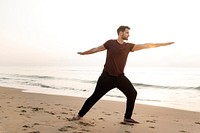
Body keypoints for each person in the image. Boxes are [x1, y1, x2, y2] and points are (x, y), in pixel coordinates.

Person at [73, 25, 174, 124]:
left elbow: (146, 45)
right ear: (121, 33)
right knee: (94, 97)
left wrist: (164, 44)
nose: (128, 35)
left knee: (132, 93)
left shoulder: (129, 46)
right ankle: (79, 115)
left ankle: (127, 118)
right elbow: (96, 49)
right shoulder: (110, 43)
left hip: (120, 77)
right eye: (127, 32)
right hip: (106, 77)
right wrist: (84, 53)